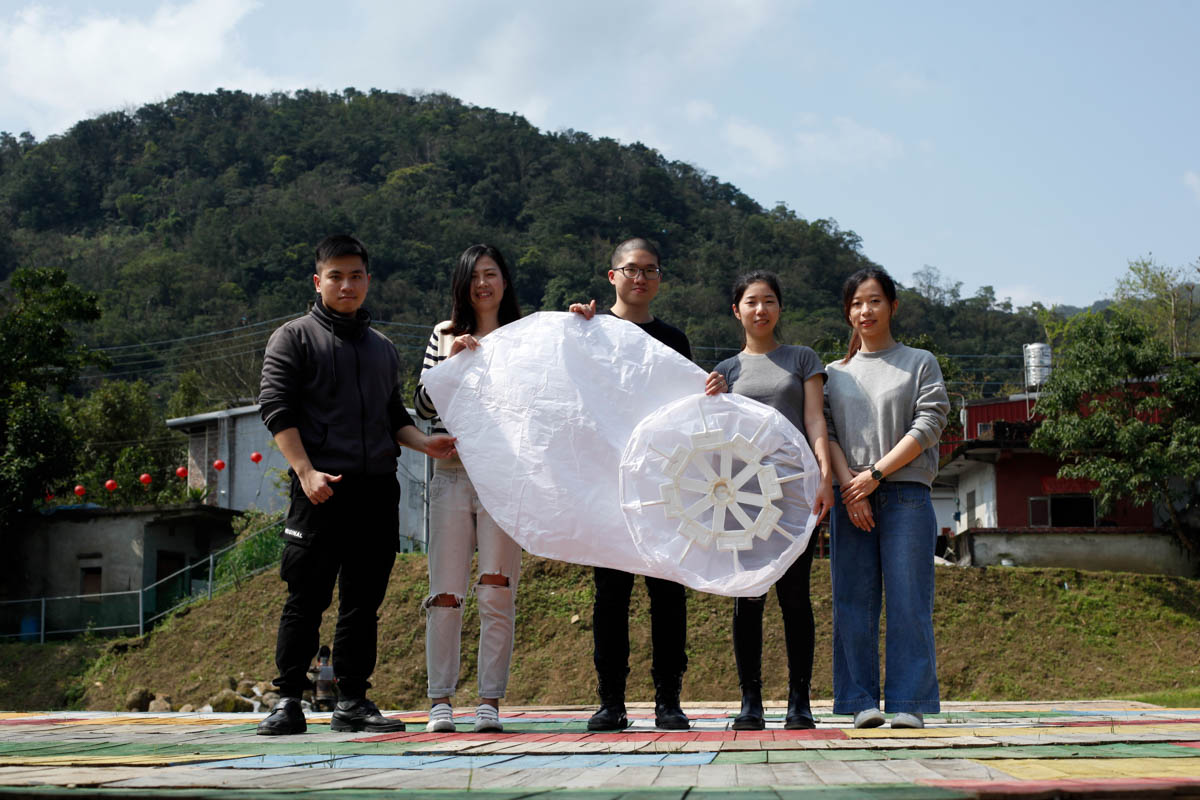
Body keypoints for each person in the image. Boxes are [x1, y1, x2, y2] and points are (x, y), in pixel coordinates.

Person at [256, 234, 458, 736]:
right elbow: (275, 408)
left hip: (375, 493)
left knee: (363, 602)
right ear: (318, 281)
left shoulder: (382, 349)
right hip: (320, 490)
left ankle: (352, 700)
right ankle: (287, 700)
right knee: (306, 598)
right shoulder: (293, 338)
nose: (346, 285)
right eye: (336, 276)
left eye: (356, 276)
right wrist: (304, 472)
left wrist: (424, 443)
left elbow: (394, 417)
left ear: (368, 280)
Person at [569, 237, 726, 730]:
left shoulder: (675, 340)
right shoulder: (589, 329)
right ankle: (610, 701)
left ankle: (668, 700)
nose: (641, 278)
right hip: (607, 485)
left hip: (664, 486)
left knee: (668, 593)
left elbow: (689, 408)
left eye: (650, 270)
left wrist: (714, 391)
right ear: (611, 275)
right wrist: (572, 327)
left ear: (659, 279)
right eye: (631, 269)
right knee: (610, 596)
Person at [823, 267, 949, 730]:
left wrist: (875, 474)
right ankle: (860, 701)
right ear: (848, 313)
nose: (865, 311)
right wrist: (850, 487)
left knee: (909, 600)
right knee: (852, 601)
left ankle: (908, 702)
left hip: (906, 495)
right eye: (856, 303)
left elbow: (929, 423)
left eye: (874, 301)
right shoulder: (833, 373)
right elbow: (827, 434)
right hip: (850, 495)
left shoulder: (919, 362)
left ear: (892, 306)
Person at [712, 271, 834, 731]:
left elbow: (815, 421)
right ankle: (751, 702)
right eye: (750, 302)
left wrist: (824, 478)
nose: (760, 309)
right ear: (736, 310)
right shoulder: (725, 371)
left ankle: (799, 701)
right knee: (749, 598)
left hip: (795, 495)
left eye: (768, 301)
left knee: (796, 598)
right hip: (742, 500)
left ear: (779, 308)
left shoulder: (801, 359)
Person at [413, 244, 524, 734]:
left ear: (505, 281)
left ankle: (489, 702)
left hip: (504, 476)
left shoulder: (524, 337)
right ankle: (440, 700)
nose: (483, 283)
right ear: (462, 283)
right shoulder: (443, 334)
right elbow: (420, 405)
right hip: (454, 473)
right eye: (474, 275)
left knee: (498, 589)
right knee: (446, 592)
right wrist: (448, 363)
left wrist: (580, 320)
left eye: (492, 274)